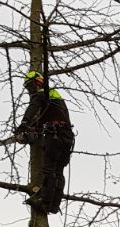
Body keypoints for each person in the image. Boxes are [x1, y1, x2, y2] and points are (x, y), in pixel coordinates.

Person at [13, 69, 75, 214]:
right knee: (58, 171)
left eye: (31, 86)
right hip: (67, 137)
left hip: (55, 136)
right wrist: (32, 131)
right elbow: (42, 119)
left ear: (38, 83)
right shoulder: (54, 99)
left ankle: (44, 202)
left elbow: (33, 108)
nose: (31, 90)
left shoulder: (42, 94)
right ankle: (54, 205)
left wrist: (23, 125)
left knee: (49, 170)